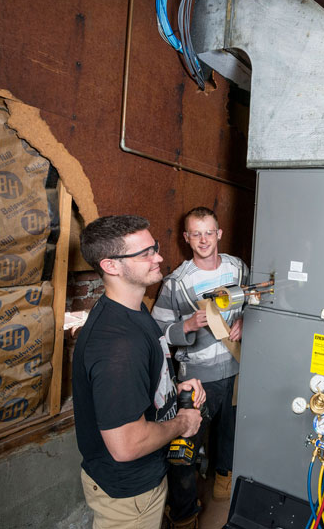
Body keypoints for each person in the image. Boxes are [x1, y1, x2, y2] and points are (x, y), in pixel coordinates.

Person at [72, 215, 205, 529]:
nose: (158, 256)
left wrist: (173, 389)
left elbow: (140, 380)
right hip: (129, 497)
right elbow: (126, 445)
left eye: (154, 247)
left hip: (144, 481)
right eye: (145, 253)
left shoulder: (133, 309)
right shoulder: (117, 345)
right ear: (111, 266)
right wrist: (183, 421)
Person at [151, 207, 248, 526]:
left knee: (230, 433)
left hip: (235, 371)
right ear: (186, 238)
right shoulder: (177, 283)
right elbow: (157, 331)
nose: (203, 240)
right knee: (184, 449)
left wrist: (246, 321)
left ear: (219, 234)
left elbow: (253, 304)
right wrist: (187, 325)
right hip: (196, 380)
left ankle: (223, 481)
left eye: (209, 232)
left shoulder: (238, 269)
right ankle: (184, 514)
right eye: (196, 233)